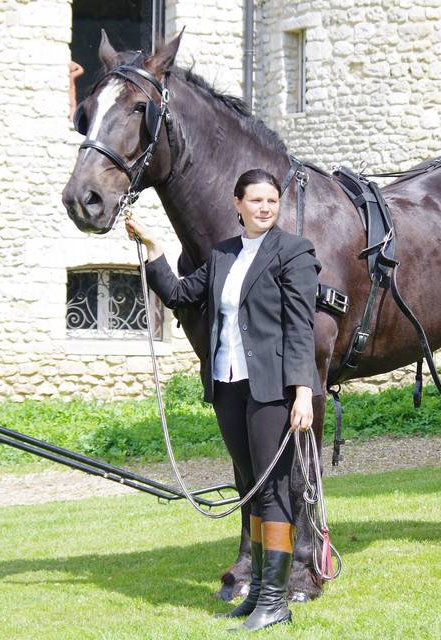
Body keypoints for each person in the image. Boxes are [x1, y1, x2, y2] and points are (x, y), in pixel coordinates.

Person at [126, 168, 321, 632]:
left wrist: (303, 392)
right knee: (249, 486)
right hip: (228, 385)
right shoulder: (222, 255)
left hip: (273, 389)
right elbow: (177, 294)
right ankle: (255, 593)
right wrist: (153, 250)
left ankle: (275, 602)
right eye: (255, 200)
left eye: (271, 200)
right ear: (238, 204)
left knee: (271, 490)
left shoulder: (293, 252)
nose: (265, 208)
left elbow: (301, 329)